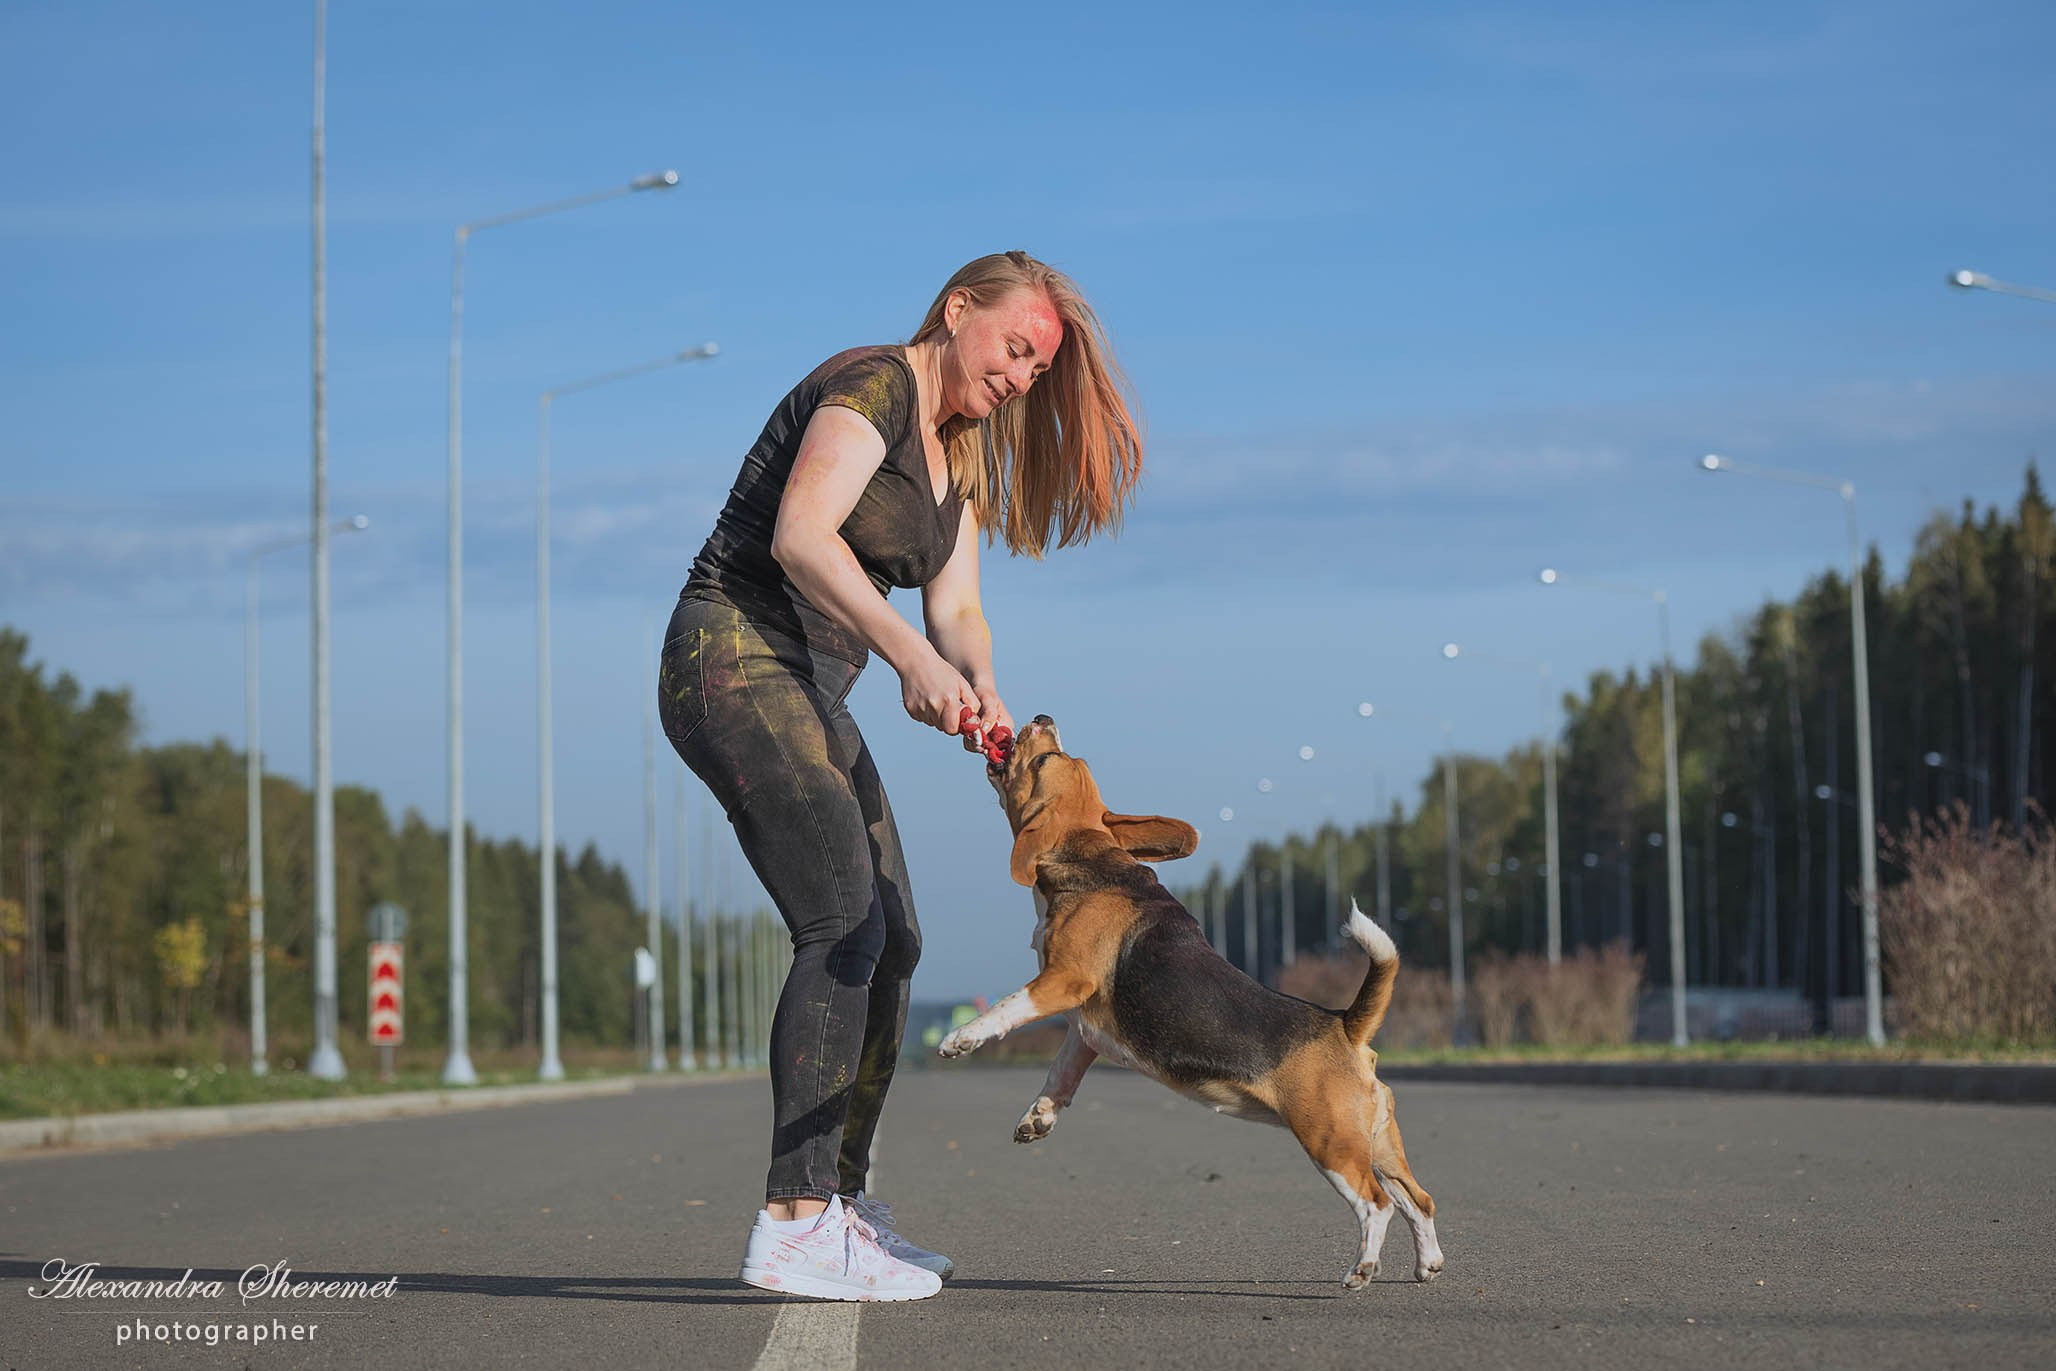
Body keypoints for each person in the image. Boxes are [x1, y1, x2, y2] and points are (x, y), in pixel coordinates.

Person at [659, 250, 1144, 1301]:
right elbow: (799, 537)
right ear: (957, 310)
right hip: (731, 657)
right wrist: (908, 660)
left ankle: (837, 1203)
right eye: (1015, 349)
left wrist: (980, 683)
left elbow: (956, 608)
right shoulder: (871, 387)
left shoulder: (958, 453)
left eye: (1035, 371)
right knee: (843, 921)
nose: (1020, 378)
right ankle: (793, 1222)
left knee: (895, 937)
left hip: (805, 688)